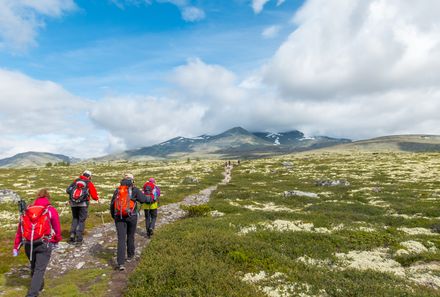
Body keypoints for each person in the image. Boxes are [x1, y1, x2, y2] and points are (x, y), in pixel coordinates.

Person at [13, 189, 62, 297]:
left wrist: (16, 246)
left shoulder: (28, 210)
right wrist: (56, 240)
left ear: (37, 198)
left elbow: (20, 229)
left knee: (34, 266)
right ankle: (32, 294)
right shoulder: (50, 209)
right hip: (44, 243)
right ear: (48, 198)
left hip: (28, 244)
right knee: (39, 269)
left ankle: (38, 285)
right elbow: (57, 227)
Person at [110, 173, 151, 271]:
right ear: (132, 181)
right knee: (130, 235)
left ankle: (120, 263)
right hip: (132, 216)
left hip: (119, 217)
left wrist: (114, 216)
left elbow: (112, 205)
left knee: (121, 239)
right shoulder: (135, 190)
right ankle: (130, 255)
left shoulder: (118, 190)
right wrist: (150, 198)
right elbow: (143, 200)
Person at [66, 170, 99, 245]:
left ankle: (72, 235)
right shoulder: (89, 183)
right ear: (89, 176)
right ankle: (79, 238)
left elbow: (68, 190)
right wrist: (97, 198)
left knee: (75, 218)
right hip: (83, 204)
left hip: (73, 203)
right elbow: (94, 196)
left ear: (83, 174)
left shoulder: (76, 181)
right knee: (81, 220)